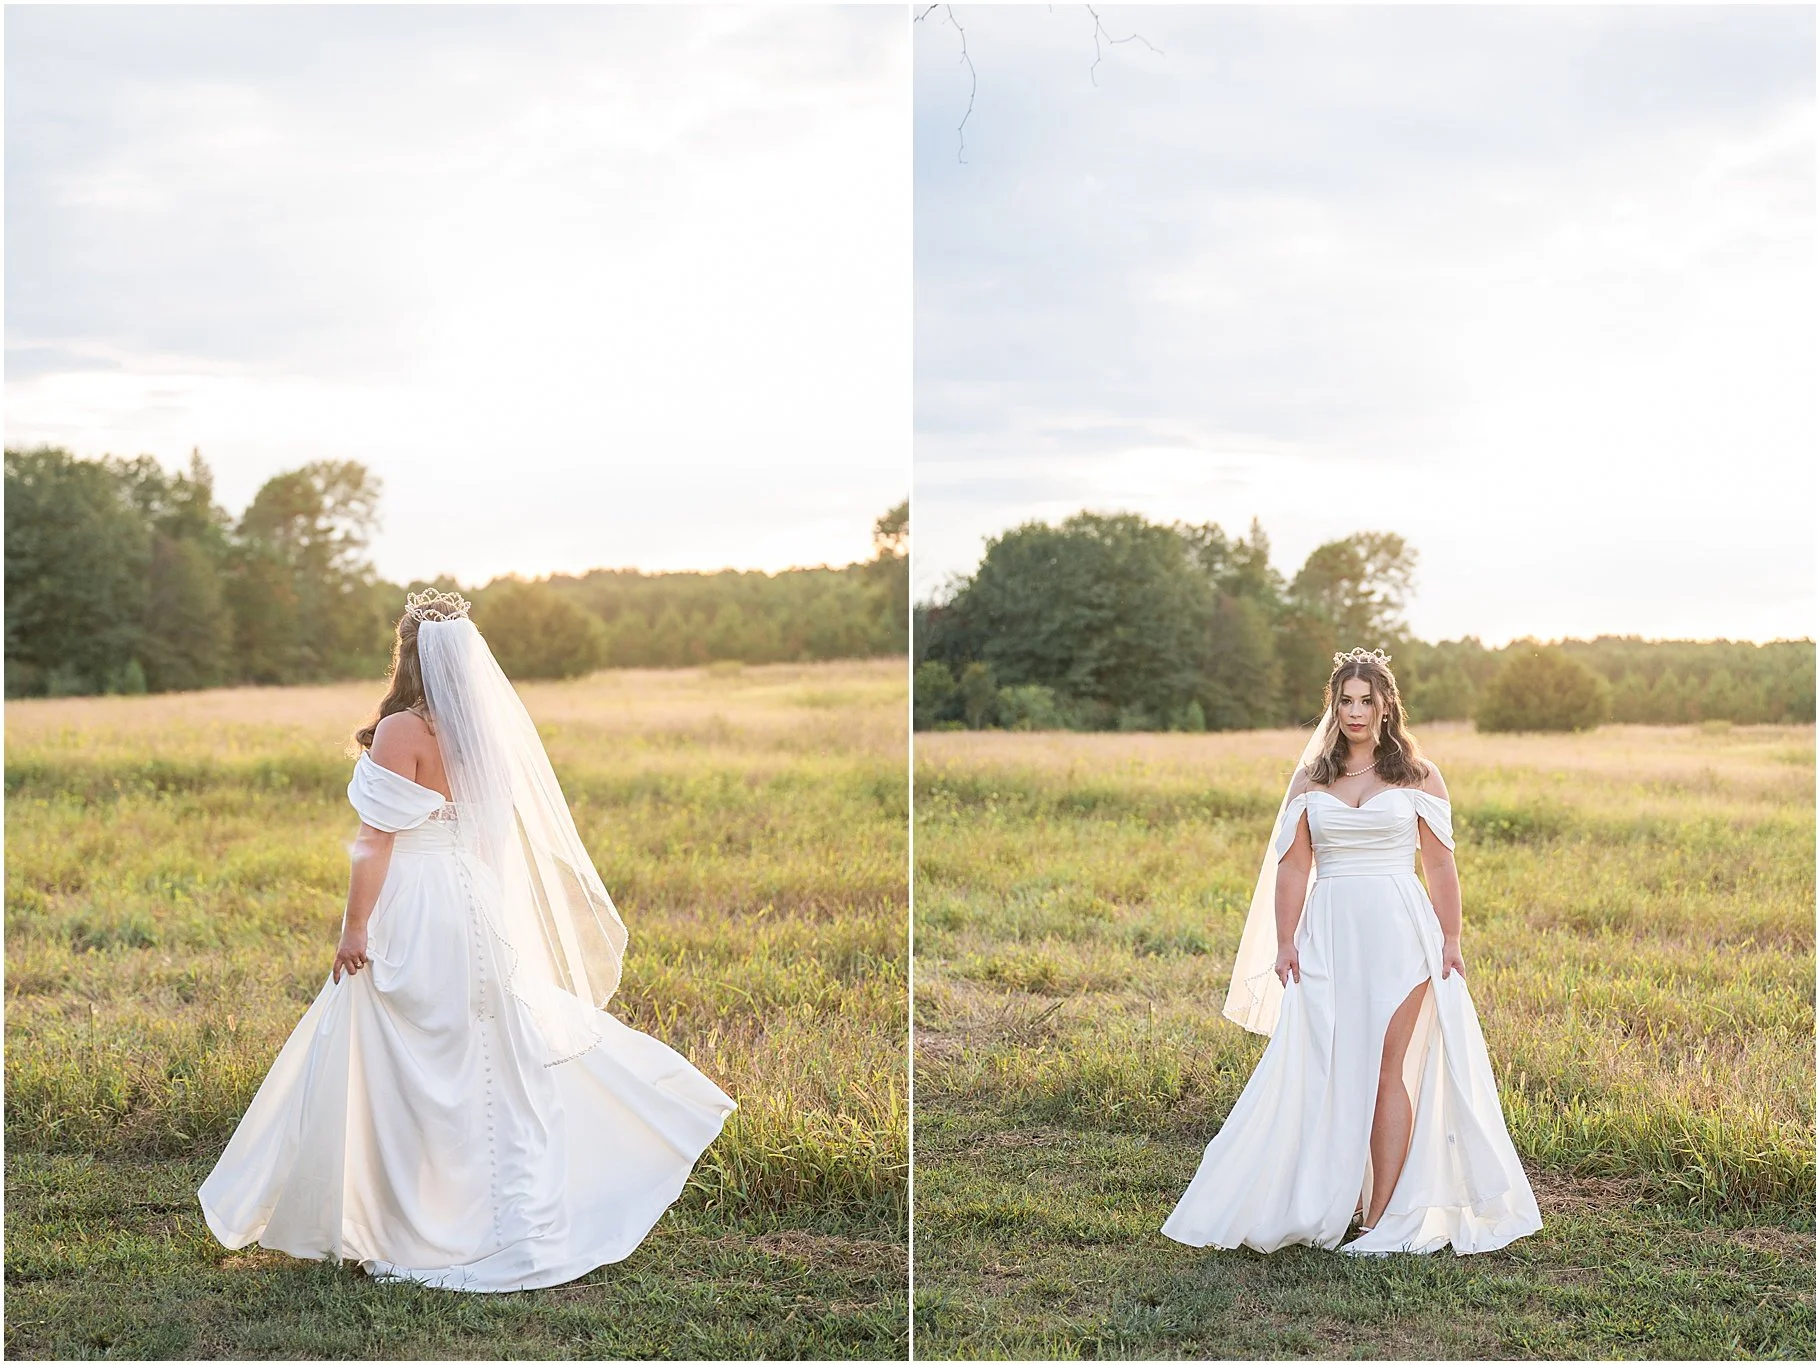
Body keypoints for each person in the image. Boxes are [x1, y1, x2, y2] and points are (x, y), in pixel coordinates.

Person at [199, 589, 736, 1291]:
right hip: (475, 901)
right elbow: (489, 837)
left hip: (419, 901)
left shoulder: (402, 730)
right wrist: (488, 911)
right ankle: (494, 1216)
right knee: (482, 1055)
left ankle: (413, 1222)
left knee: (410, 1057)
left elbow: (374, 840)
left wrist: (355, 927)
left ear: (407, 655)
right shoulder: (482, 730)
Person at [1161, 647, 1541, 1256]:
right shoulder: (1310, 779)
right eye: (1346, 700)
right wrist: (1285, 941)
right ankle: (1327, 1195)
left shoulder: (1419, 775)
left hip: (1402, 934)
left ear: (1387, 705)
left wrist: (1451, 939)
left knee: (1389, 1070)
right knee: (1331, 1066)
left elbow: (1440, 865)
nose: (1357, 711)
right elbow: (1293, 868)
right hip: (1329, 933)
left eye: (1368, 700)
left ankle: (1380, 1215)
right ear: (1333, 707)